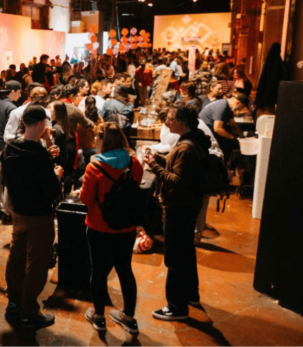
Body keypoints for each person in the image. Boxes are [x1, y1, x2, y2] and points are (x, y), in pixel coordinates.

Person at [143, 104, 210, 320]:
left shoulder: (185, 148)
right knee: (186, 252)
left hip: (180, 207)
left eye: (171, 118)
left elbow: (177, 180)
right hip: (189, 205)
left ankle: (176, 307)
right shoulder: (190, 142)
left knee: (174, 257)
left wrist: (153, 167)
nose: (167, 121)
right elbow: (178, 168)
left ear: (182, 122)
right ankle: (191, 295)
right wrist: (158, 160)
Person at [2, 105, 63, 329]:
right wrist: (56, 175)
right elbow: (52, 191)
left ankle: (14, 303)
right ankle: (29, 311)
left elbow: (6, 178)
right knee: (37, 263)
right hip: (39, 215)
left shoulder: (10, 148)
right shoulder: (39, 155)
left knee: (16, 257)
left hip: (18, 212)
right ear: (40, 124)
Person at [81, 123, 143, 334]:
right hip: (126, 227)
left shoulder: (94, 167)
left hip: (99, 226)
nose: (95, 141)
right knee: (125, 269)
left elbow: (86, 199)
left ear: (103, 141)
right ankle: (129, 318)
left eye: (98, 137)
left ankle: (98, 317)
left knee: (98, 271)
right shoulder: (134, 163)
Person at [0, 81, 22, 223]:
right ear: (13, 91)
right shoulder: (12, 107)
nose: (20, 95)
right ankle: (7, 213)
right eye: (19, 92)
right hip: (6, 147)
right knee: (7, 180)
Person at [198, 93, 247, 160]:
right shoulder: (222, 106)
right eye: (240, 108)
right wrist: (233, 138)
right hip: (205, 131)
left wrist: (243, 138)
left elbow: (233, 125)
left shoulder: (228, 107)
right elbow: (217, 129)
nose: (238, 111)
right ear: (237, 103)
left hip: (209, 130)